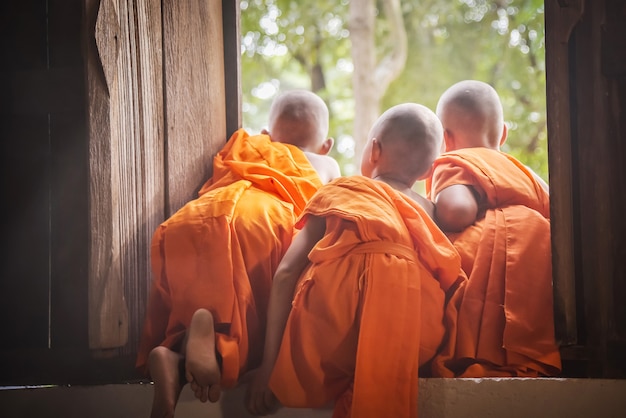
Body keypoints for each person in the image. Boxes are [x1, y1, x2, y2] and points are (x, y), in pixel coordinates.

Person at [246, 103, 467, 418]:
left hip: (333, 331)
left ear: (373, 150)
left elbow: (285, 273)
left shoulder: (341, 191)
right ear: (428, 172)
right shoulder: (431, 212)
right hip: (413, 338)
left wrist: (268, 368)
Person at [135, 89, 341, 418]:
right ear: (325, 144)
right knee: (253, 312)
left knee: (199, 298)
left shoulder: (248, 143)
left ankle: (177, 353)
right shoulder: (326, 162)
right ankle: (224, 354)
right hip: (265, 221)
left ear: (266, 134)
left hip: (198, 218)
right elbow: (331, 217)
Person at [426, 79, 561, 378]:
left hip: (493, 254)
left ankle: (475, 354)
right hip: (539, 262)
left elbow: (457, 209)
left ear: (444, 139)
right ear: (502, 134)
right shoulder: (527, 173)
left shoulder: (455, 161)